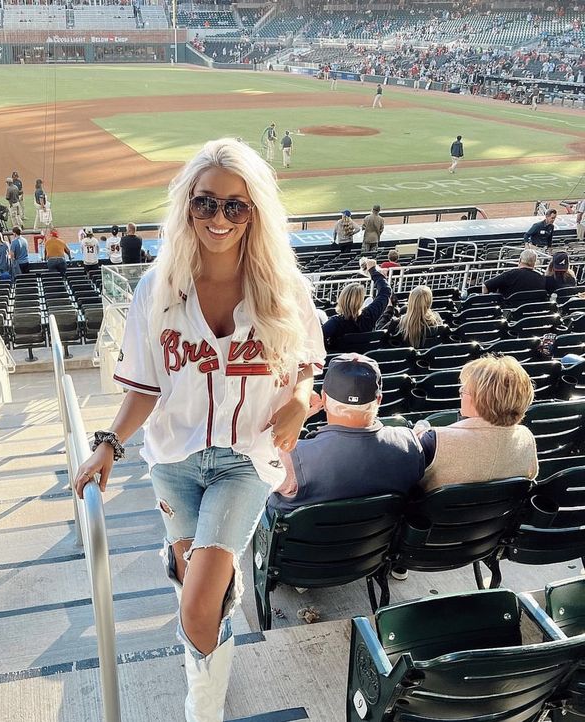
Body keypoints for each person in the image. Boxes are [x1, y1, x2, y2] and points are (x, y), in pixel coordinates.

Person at [72, 138, 324, 722]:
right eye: (206, 203)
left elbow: (309, 360)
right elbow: (144, 386)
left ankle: (200, 711)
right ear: (187, 206)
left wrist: (303, 400)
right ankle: (208, 646)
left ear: (254, 212)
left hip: (245, 461)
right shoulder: (155, 289)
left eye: (235, 206)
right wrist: (110, 443)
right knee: (203, 598)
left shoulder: (283, 288)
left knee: (197, 605)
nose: (219, 218)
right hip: (173, 461)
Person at [267, 354, 425, 515]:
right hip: (381, 539)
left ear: (323, 398)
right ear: (379, 399)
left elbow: (252, 466)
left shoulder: (289, 458)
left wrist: (297, 416)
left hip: (305, 538)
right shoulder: (410, 444)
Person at [416, 355, 538, 490]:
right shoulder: (527, 438)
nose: (461, 395)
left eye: (463, 391)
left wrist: (418, 433)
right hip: (501, 510)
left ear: (479, 400)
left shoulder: (435, 440)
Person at [322, 260, 391, 352]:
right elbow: (385, 291)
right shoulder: (370, 315)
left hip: (340, 363)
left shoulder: (335, 322)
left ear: (341, 299)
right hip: (365, 360)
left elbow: (317, 339)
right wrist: (372, 271)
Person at [381, 285, 445, 348]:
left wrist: (389, 309)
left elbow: (379, 332)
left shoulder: (397, 323)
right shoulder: (436, 321)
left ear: (410, 301)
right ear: (429, 302)